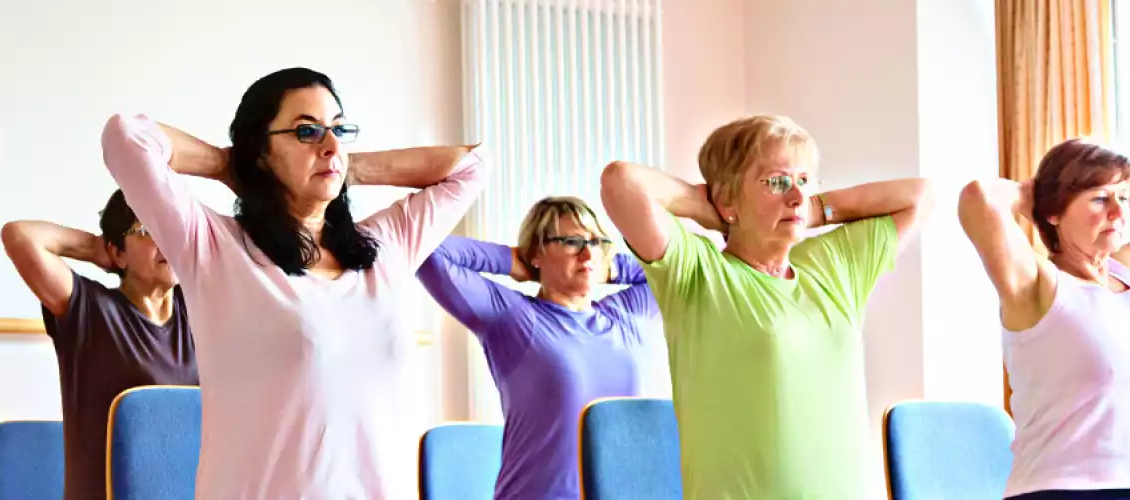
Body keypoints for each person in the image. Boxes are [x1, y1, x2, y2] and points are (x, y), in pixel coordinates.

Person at [100, 67, 486, 498]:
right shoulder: (215, 248)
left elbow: (471, 167)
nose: (330, 144)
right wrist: (234, 165)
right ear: (262, 150)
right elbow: (126, 138)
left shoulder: (384, 247)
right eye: (306, 131)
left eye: (339, 129)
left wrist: (346, 167)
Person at [598, 114, 933, 498]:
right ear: (727, 197)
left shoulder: (832, 265)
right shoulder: (698, 272)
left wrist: (819, 209)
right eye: (776, 182)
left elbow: (920, 197)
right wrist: (709, 208)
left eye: (803, 181)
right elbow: (621, 182)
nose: (795, 196)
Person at [960, 139, 1130, 500]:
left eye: (1122, 200)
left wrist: (1117, 188)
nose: (1119, 214)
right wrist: (1038, 195)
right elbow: (978, 197)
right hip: (1058, 492)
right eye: (1099, 200)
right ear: (1054, 212)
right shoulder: (1036, 284)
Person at [413, 196, 668, 500]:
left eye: (597, 242)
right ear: (537, 252)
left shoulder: (628, 316)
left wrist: (610, 267)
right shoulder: (514, 319)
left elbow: (675, 267)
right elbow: (425, 250)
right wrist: (511, 260)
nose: (588, 253)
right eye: (572, 242)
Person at [0, 190, 198, 500]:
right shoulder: (90, 310)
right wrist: (95, 247)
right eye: (148, 230)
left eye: (171, 227)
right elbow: (20, 235)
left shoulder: (201, 311)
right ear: (118, 253)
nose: (166, 240)